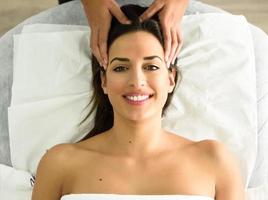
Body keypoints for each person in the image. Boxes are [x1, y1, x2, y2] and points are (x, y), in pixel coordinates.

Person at [31, 4, 245, 200]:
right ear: (103, 81)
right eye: (120, 68)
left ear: (170, 79)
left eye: (151, 67)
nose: (136, 81)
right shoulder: (59, 163)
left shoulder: (215, 160)